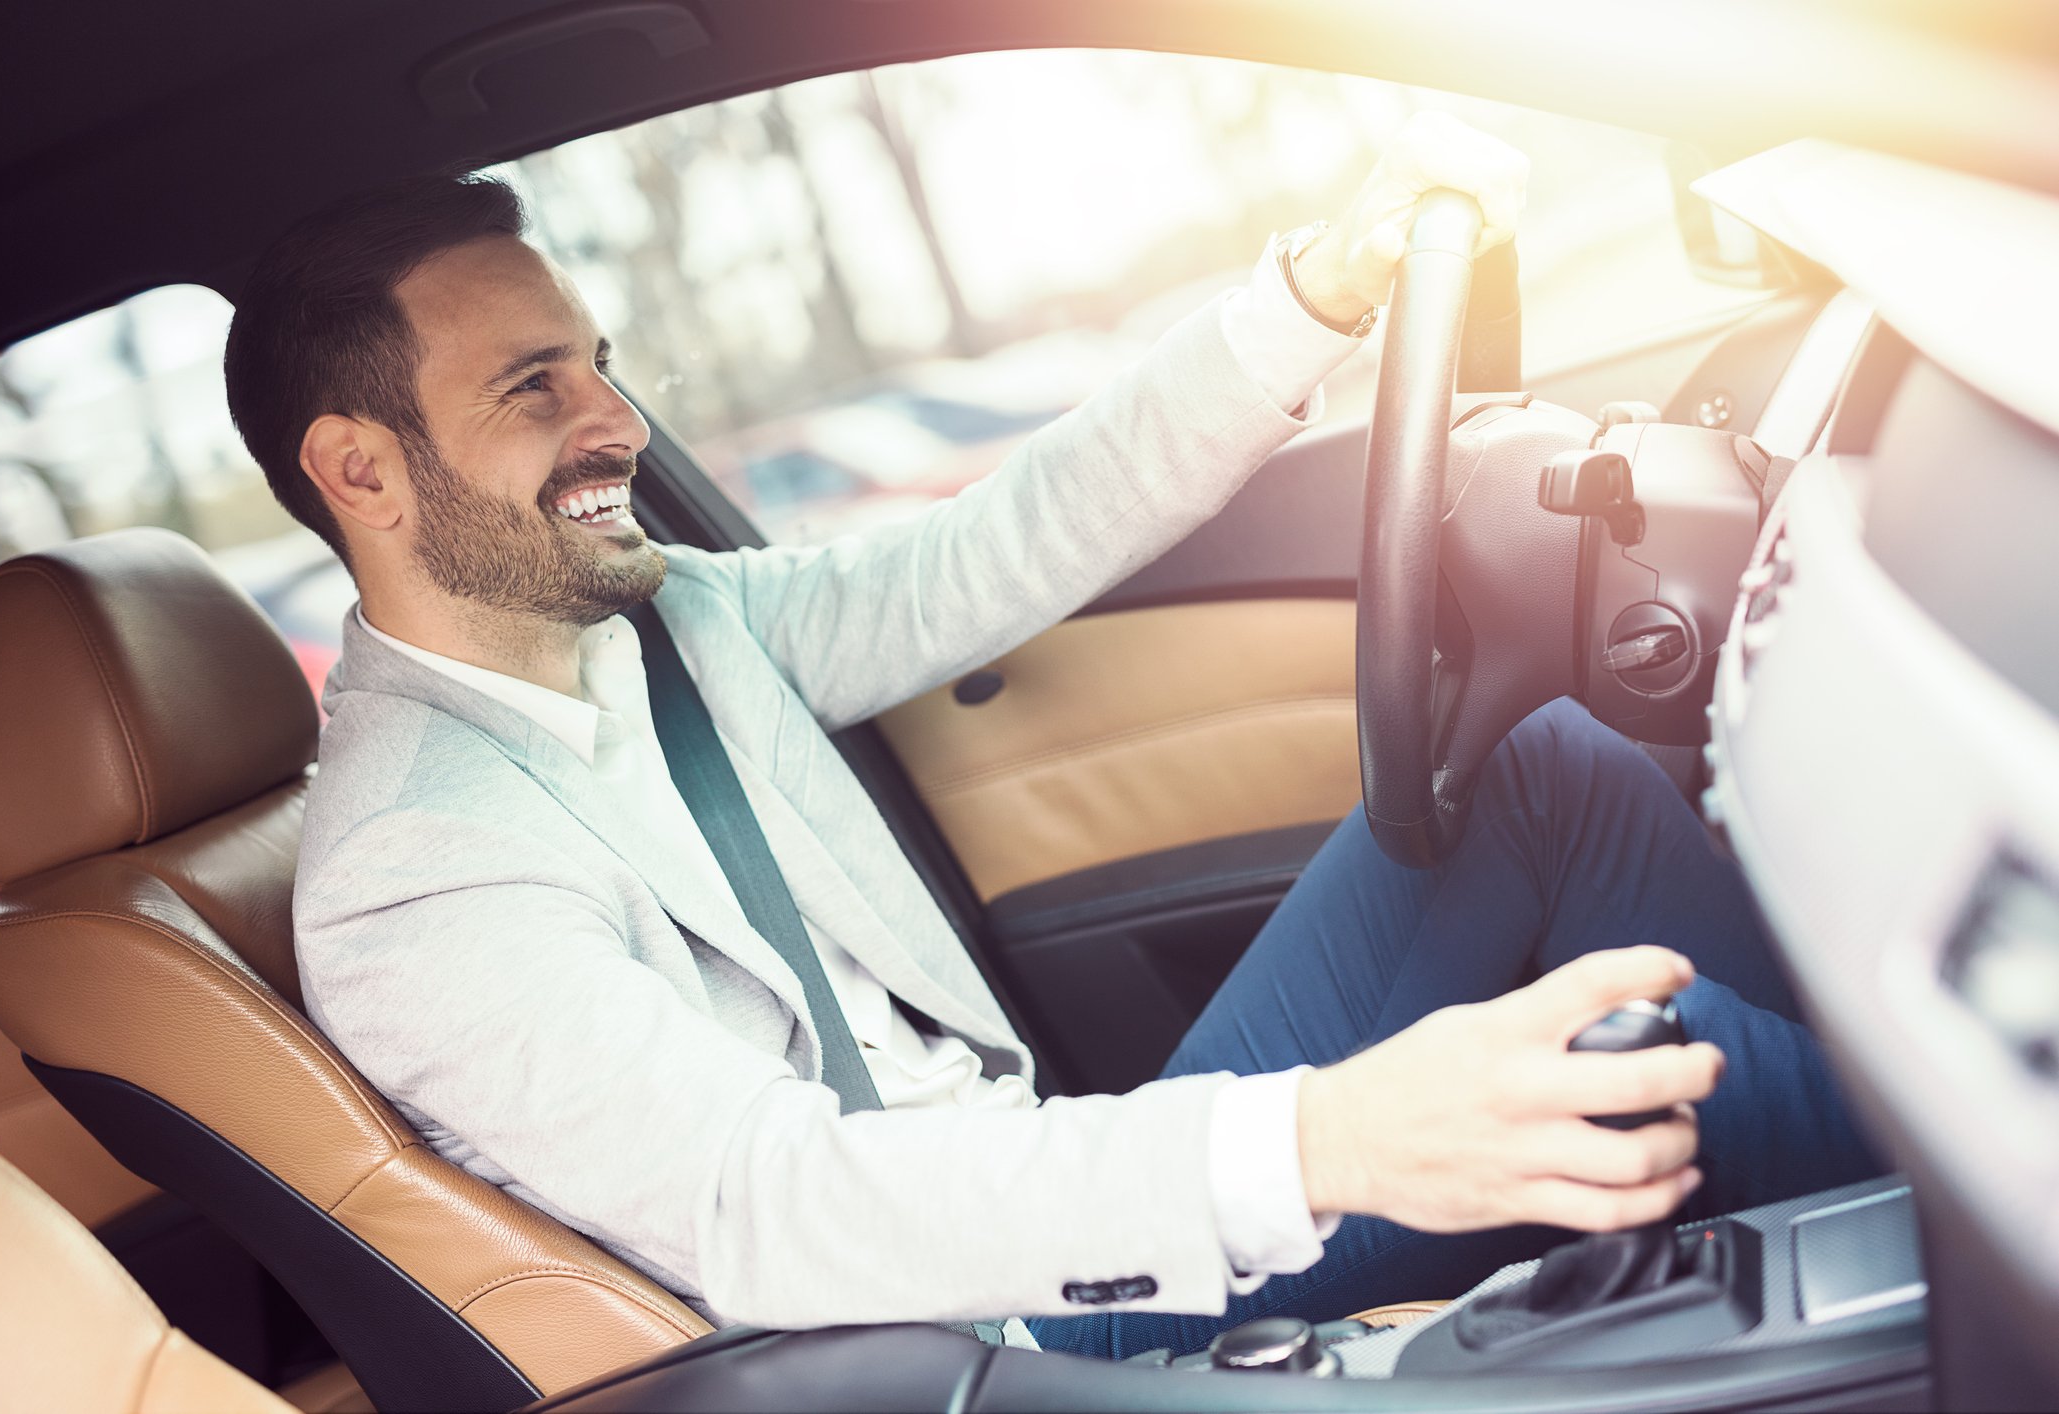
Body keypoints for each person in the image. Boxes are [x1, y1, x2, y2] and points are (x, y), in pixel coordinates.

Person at [233, 112, 1876, 1358]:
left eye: (598, 363)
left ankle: (1888, 1132)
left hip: (1026, 1178)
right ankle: (1963, 1210)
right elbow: (768, 1207)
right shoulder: (413, 876)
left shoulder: (668, 623)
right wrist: (1329, 1140)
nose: (616, 421)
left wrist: (1308, 299)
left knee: (1547, 775)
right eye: (533, 387)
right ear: (361, 470)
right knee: (1652, 1067)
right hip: (967, 1333)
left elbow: (991, 551)